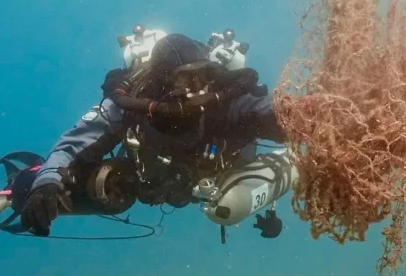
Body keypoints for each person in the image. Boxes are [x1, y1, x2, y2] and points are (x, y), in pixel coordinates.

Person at [20, 33, 285, 237]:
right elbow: (75, 144)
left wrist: (299, 120)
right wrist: (46, 182)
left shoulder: (226, 100)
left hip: (220, 169)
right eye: (183, 79)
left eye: (200, 77)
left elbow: (279, 115)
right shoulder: (129, 104)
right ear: (160, 83)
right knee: (80, 180)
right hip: (154, 178)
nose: (194, 89)